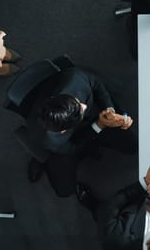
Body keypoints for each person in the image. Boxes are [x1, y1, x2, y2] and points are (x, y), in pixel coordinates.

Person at [26, 66, 137, 197]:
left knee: (131, 146)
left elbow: (95, 83)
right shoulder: (49, 139)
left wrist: (110, 111)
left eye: (78, 102)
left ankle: (94, 144)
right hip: (69, 143)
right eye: (81, 110)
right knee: (64, 190)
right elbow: (73, 148)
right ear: (63, 131)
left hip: (95, 119)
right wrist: (99, 125)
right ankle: (45, 162)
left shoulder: (75, 78)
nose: (84, 105)